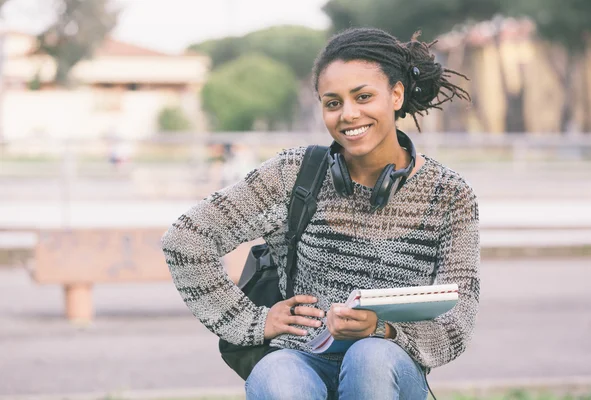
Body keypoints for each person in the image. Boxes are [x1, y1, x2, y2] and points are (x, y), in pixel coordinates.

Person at [162, 27, 479, 400]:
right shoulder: (293, 174)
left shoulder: (451, 194)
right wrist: (253, 321)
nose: (348, 114)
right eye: (333, 103)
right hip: (297, 357)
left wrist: (384, 330)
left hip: (389, 366)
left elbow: (458, 319)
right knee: (277, 375)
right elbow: (185, 240)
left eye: (363, 96)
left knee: (369, 357)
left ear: (396, 94)